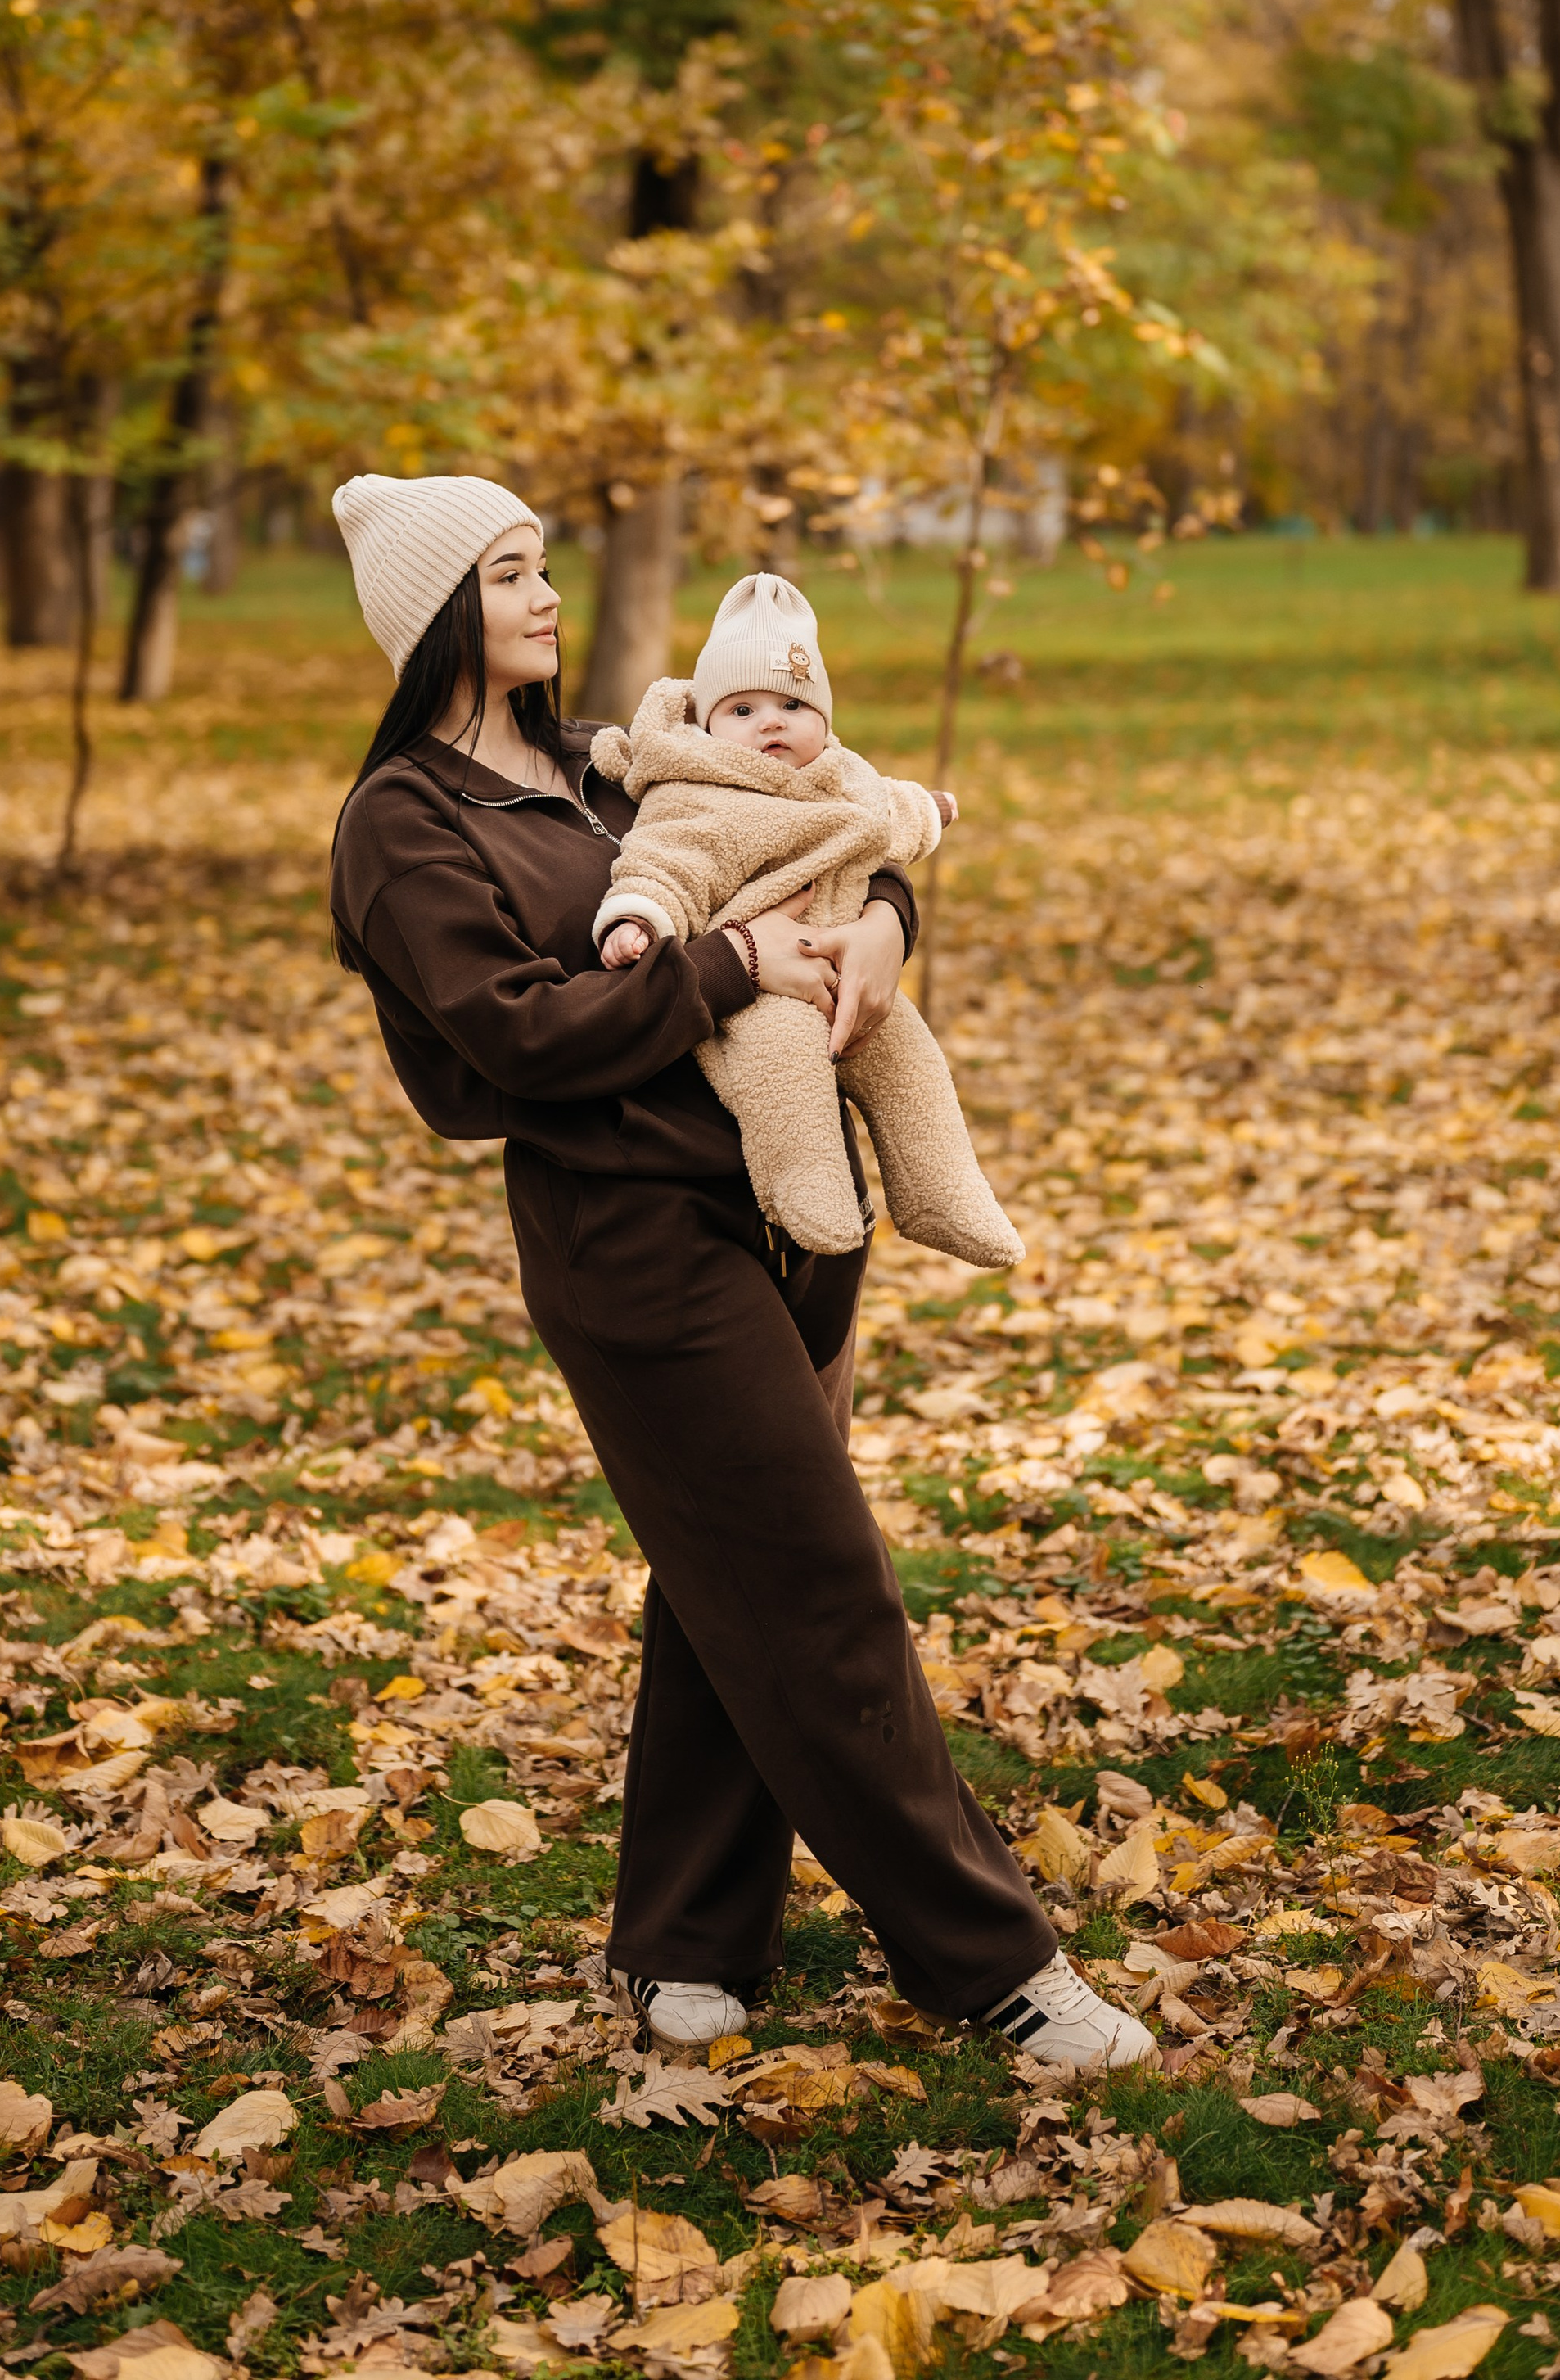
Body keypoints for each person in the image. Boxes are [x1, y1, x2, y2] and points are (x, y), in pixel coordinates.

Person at [326, 471, 1156, 2078]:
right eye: (511, 575)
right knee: (822, 1586)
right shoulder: (404, 824)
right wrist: (727, 964)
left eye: (543, 566)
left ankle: (686, 1937)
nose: (548, 597)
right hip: (633, 1238)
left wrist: (886, 924)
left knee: (730, 1577)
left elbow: (824, 813)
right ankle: (995, 1965)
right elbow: (517, 1034)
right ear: (436, 614)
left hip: (797, 1202)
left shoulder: (602, 759)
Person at [589, 572, 1021, 1268]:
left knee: (911, 1065)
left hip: (850, 972)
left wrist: (929, 810)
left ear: (822, 717)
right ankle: (806, 1188)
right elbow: (662, 864)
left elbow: (887, 811)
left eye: (792, 704)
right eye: (743, 709)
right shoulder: (700, 793)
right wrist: (637, 918)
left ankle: (944, 1191)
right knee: (785, 1074)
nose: (771, 722)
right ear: (707, 724)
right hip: (756, 995)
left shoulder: (841, 775)